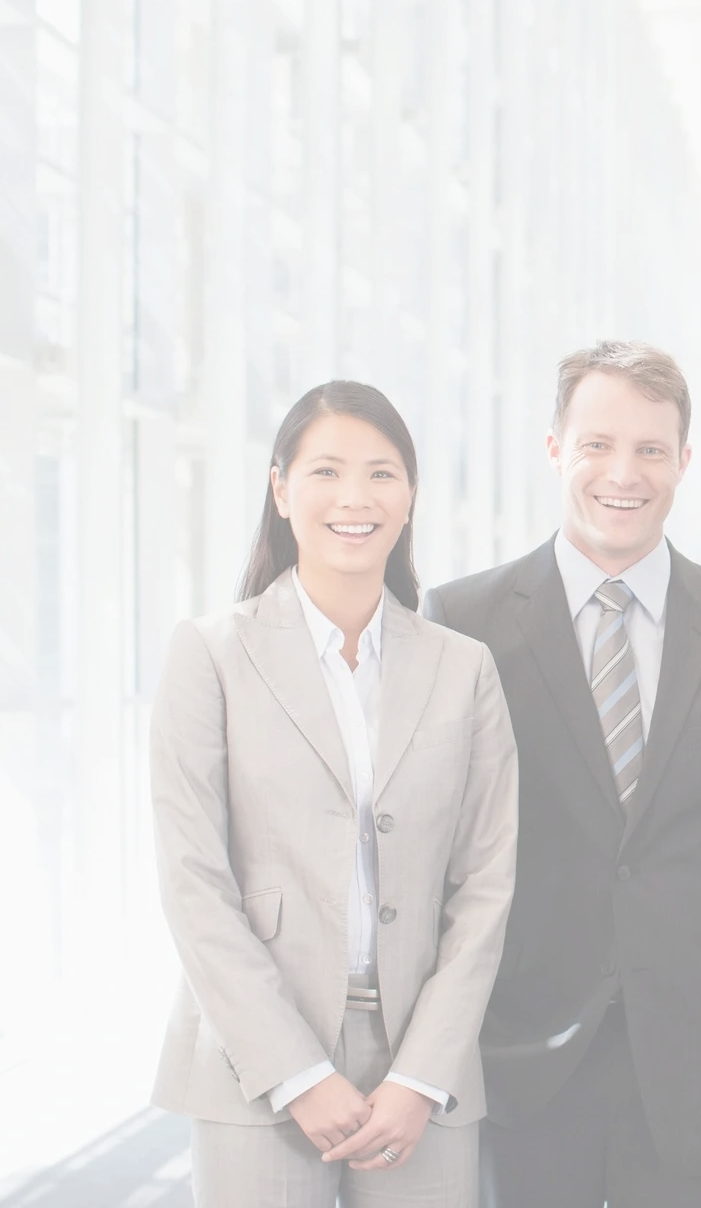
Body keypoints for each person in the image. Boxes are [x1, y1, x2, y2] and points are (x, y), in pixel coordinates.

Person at [421, 341, 701, 1207]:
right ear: (555, 448)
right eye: (597, 444)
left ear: (684, 461)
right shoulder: (462, 622)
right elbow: (436, 854)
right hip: (519, 1060)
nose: (624, 474)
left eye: (650, 449)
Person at [150, 381, 518, 1206]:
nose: (355, 498)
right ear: (281, 490)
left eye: (381, 474)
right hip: (255, 1060)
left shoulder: (463, 667)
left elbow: (486, 886)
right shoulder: (210, 654)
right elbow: (192, 882)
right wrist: (296, 1072)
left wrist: (420, 1075)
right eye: (325, 471)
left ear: (410, 495)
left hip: (420, 1065)